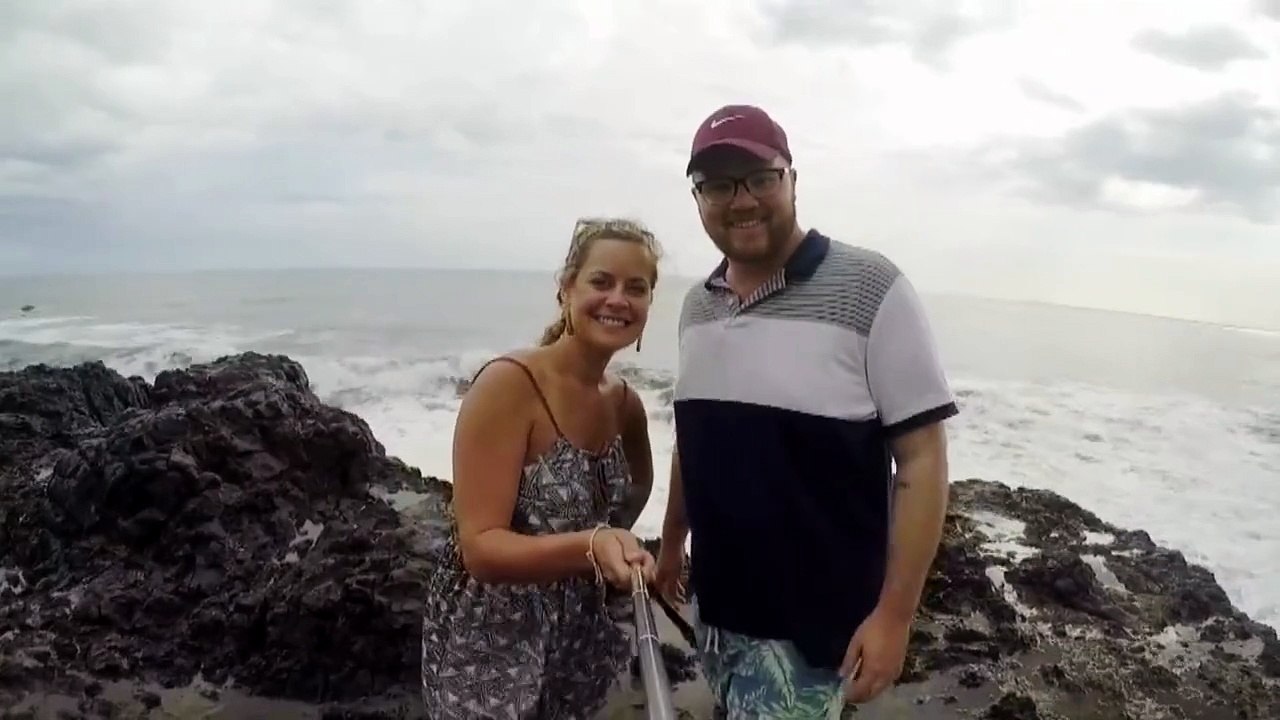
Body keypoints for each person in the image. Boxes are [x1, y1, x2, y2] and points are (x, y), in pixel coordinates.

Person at [654, 104, 959, 718]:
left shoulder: (872, 288)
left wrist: (895, 617)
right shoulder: (697, 308)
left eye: (760, 178)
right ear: (697, 198)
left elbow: (922, 461)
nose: (741, 200)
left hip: (815, 636)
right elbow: (697, 442)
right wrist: (670, 546)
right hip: (716, 614)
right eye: (717, 184)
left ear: (793, 177)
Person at [421, 217, 664, 719]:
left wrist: (618, 546)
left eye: (636, 288)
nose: (618, 298)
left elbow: (636, 490)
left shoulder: (626, 405)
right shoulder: (508, 386)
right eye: (601, 281)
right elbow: (481, 548)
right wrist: (592, 545)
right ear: (566, 289)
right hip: (490, 636)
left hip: (579, 628)